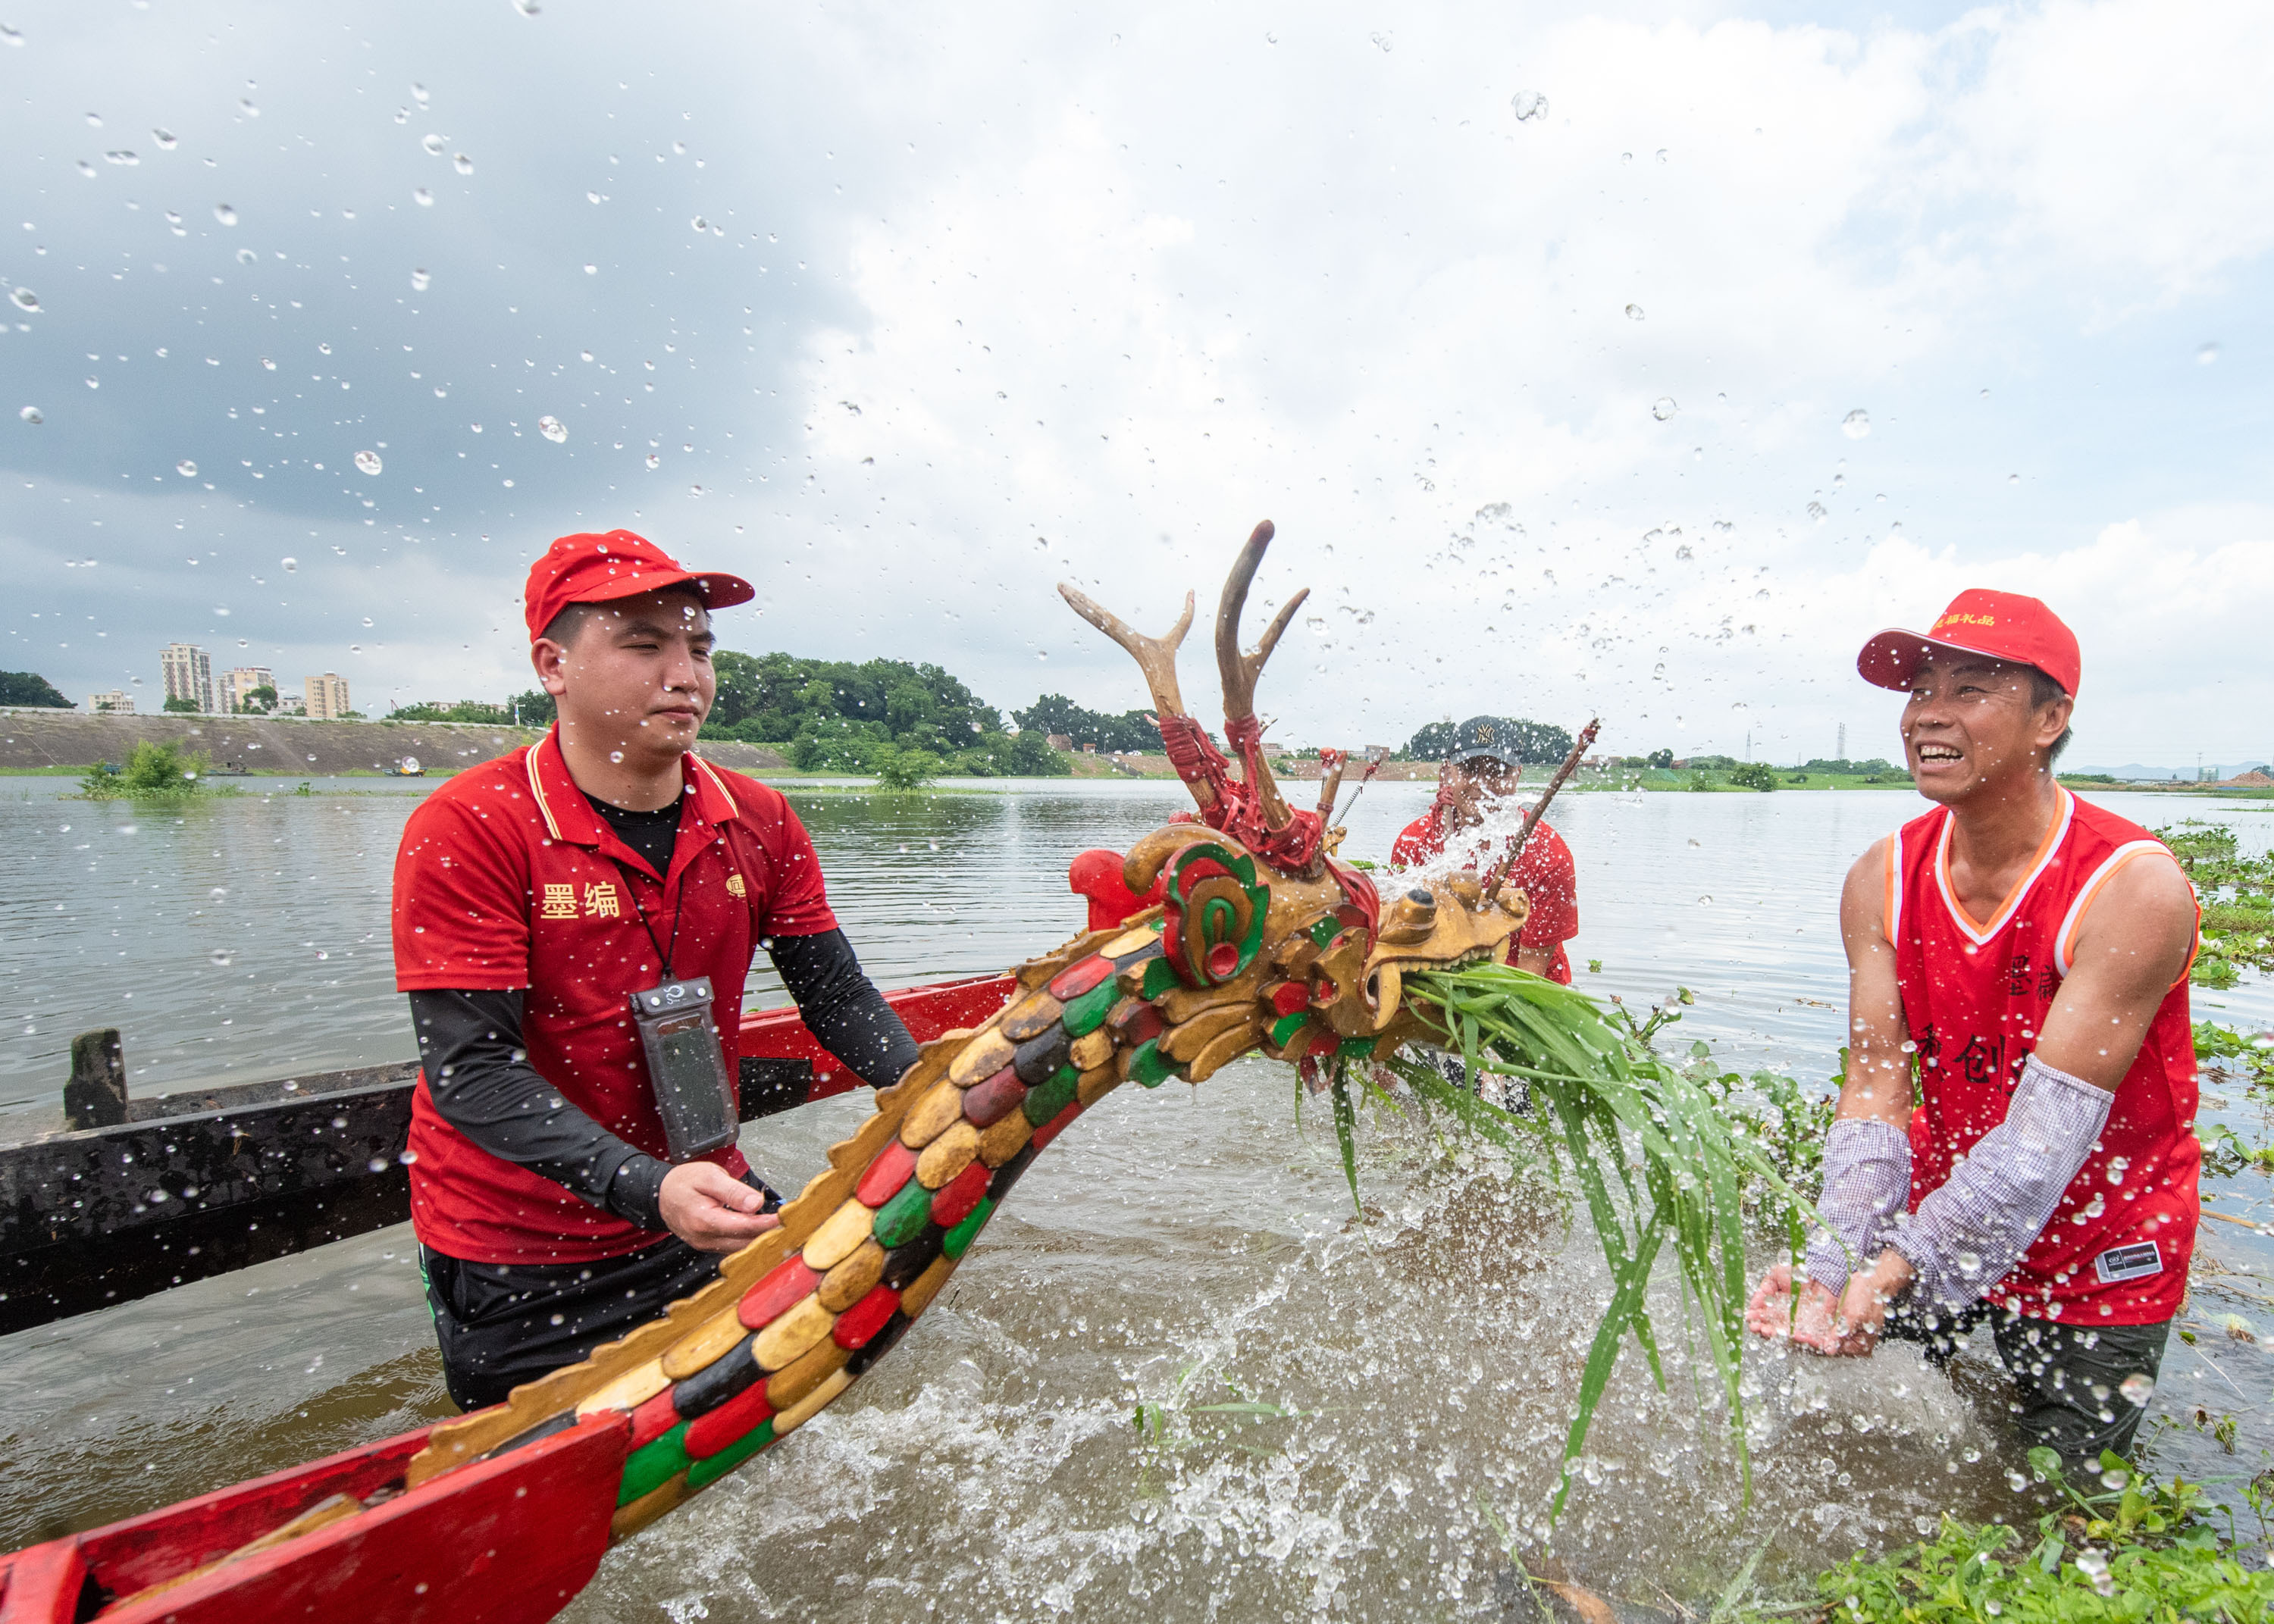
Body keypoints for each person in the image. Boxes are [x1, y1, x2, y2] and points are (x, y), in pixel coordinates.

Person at [391, 528, 922, 1410]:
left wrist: (932, 1091)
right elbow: (471, 1072)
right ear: (553, 665)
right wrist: (644, 1184)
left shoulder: (757, 817)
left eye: (700, 646)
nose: (687, 673)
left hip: (707, 1199)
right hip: (523, 1248)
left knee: (810, 1406)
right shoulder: (471, 825)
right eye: (645, 644)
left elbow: (834, 994)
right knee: (551, 1499)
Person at [1746, 589, 2200, 1466]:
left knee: (2067, 1502)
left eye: (1971, 688)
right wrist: (1838, 1253)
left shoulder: (2130, 888)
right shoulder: (1880, 877)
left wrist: (1898, 1264)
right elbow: (1877, 1090)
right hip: (1950, 1210)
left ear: (2050, 718)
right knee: (1833, 1437)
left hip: (2097, 1243)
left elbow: (2043, 1143)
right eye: (1921, 689)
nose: (1929, 715)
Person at [1389, 715, 1579, 983]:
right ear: (1447, 773)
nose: (1483, 784)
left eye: (1499, 771)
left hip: (1517, 982)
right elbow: (1401, 939)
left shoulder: (1548, 853)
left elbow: (1531, 975)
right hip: (1439, 979)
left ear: (1518, 775)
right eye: (1469, 769)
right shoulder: (1414, 842)